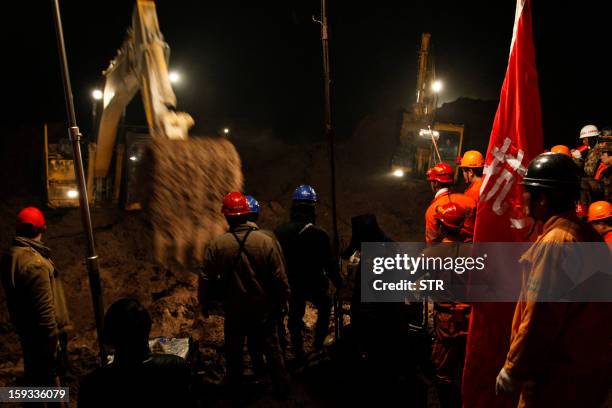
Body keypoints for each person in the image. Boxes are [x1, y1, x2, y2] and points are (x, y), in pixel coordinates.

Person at [495, 153, 612, 407]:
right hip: (587, 379)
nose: (521, 196)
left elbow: (541, 316)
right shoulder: (588, 236)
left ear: (543, 198)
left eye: (527, 190)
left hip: (555, 383)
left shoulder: (556, 244)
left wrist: (513, 368)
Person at [199, 192, 290, 395]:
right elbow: (279, 278)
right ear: (247, 213)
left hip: (234, 310)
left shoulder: (217, 245)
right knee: (272, 348)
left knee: (234, 351)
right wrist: (283, 301)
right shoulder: (265, 242)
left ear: (227, 216)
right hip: (263, 308)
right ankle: (282, 389)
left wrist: (204, 303)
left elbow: (206, 278)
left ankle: (235, 389)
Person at [0, 207, 71, 388]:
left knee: (35, 380)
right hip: (44, 341)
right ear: (43, 228)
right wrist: (52, 348)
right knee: (50, 385)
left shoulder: (13, 256)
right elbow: (45, 314)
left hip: (29, 334)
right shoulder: (35, 264)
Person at [78, 298, 195, 407]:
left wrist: (60, 394)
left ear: (110, 336)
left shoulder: (92, 385)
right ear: (148, 327)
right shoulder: (176, 367)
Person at [274, 184, 342, 360]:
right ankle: (318, 345)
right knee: (325, 305)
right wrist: (341, 284)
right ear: (312, 209)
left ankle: (297, 350)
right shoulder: (320, 234)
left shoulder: (280, 232)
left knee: (295, 315)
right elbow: (330, 264)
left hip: (291, 282)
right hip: (314, 282)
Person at [424, 202, 472, 408]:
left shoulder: (431, 254)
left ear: (442, 226)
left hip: (446, 322)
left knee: (443, 371)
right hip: (470, 319)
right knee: (467, 367)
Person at [424, 162, 476, 244]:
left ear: (435, 183)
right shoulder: (469, 201)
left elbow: (432, 242)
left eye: (431, 181)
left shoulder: (432, 211)